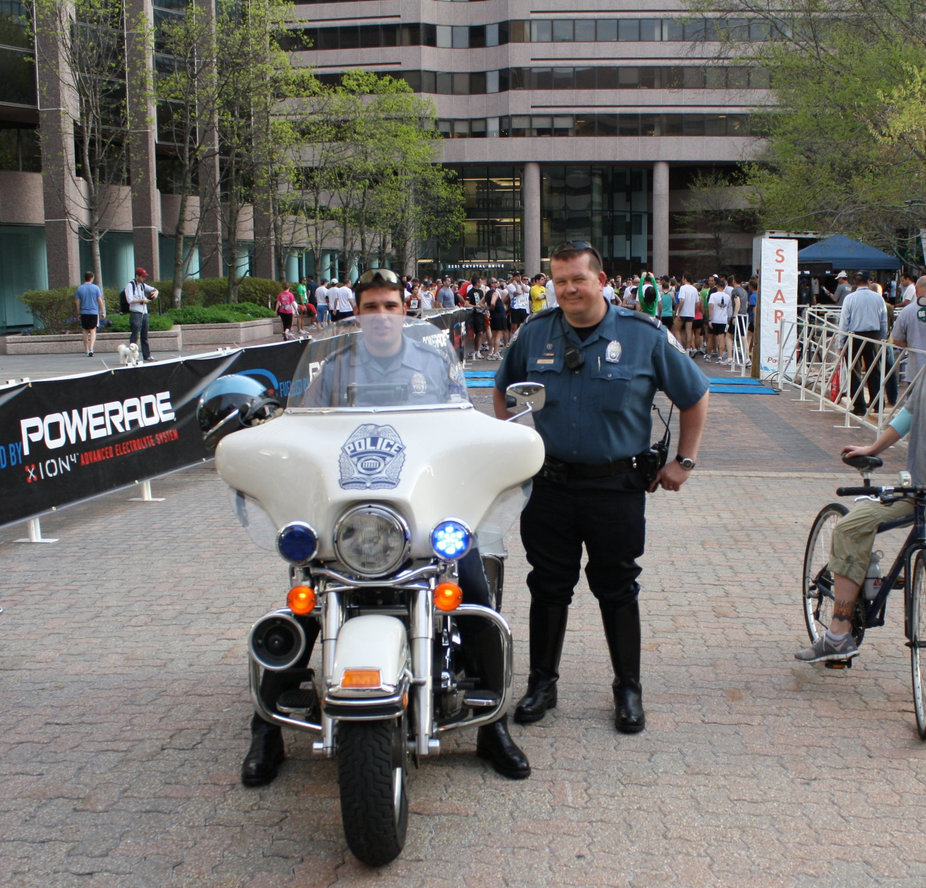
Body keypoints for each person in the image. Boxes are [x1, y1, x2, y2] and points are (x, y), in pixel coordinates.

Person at [242, 268, 530, 785]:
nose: (379, 316)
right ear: (356, 312)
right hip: (350, 520)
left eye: (389, 306)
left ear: (405, 310)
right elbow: (304, 429)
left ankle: (494, 728)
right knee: (303, 604)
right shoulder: (330, 367)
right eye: (370, 306)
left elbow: (460, 427)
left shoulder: (435, 361)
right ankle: (265, 729)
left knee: (477, 595)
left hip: (424, 513)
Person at [493, 241, 709, 734]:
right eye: (559, 280)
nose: (568, 288)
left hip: (616, 487)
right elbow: (503, 392)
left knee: (617, 587)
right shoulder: (534, 333)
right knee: (548, 586)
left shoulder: (643, 334)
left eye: (577, 279)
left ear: (601, 280)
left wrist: (685, 461)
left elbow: (696, 395)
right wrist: (512, 448)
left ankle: (627, 688)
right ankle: (542, 684)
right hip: (549, 487)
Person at [796, 281, 926, 702]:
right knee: (854, 524)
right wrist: (873, 447)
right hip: (922, 481)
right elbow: (910, 411)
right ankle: (839, 631)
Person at [838, 271, 888, 415]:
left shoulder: (850, 298)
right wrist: (882, 339)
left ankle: (859, 406)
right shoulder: (879, 298)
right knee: (875, 371)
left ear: (855, 281)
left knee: (854, 371)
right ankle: (878, 404)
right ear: (869, 281)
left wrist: (841, 344)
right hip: (874, 336)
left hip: (854, 336)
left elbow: (844, 322)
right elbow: (883, 321)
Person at [891, 275, 926, 383]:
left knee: (913, 398)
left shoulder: (907, 311)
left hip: (914, 368)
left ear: (916, 289)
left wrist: (910, 345)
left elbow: (895, 339)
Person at [125, 267, 158, 362]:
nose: (144, 278)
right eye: (142, 277)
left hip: (144, 312)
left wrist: (155, 293)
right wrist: (141, 300)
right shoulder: (130, 285)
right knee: (135, 334)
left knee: (144, 334)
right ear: (137, 276)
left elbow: (154, 289)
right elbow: (130, 300)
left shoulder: (143, 285)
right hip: (135, 312)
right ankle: (133, 356)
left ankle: (147, 355)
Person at [75, 271, 105, 356]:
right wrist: (102, 311)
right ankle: (91, 348)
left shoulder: (80, 288)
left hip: (84, 312)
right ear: (91, 277)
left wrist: (78, 312)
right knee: (93, 330)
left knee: (85, 330)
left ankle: (86, 349)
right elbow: (100, 300)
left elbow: (77, 302)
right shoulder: (96, 288)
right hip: (93, 312)